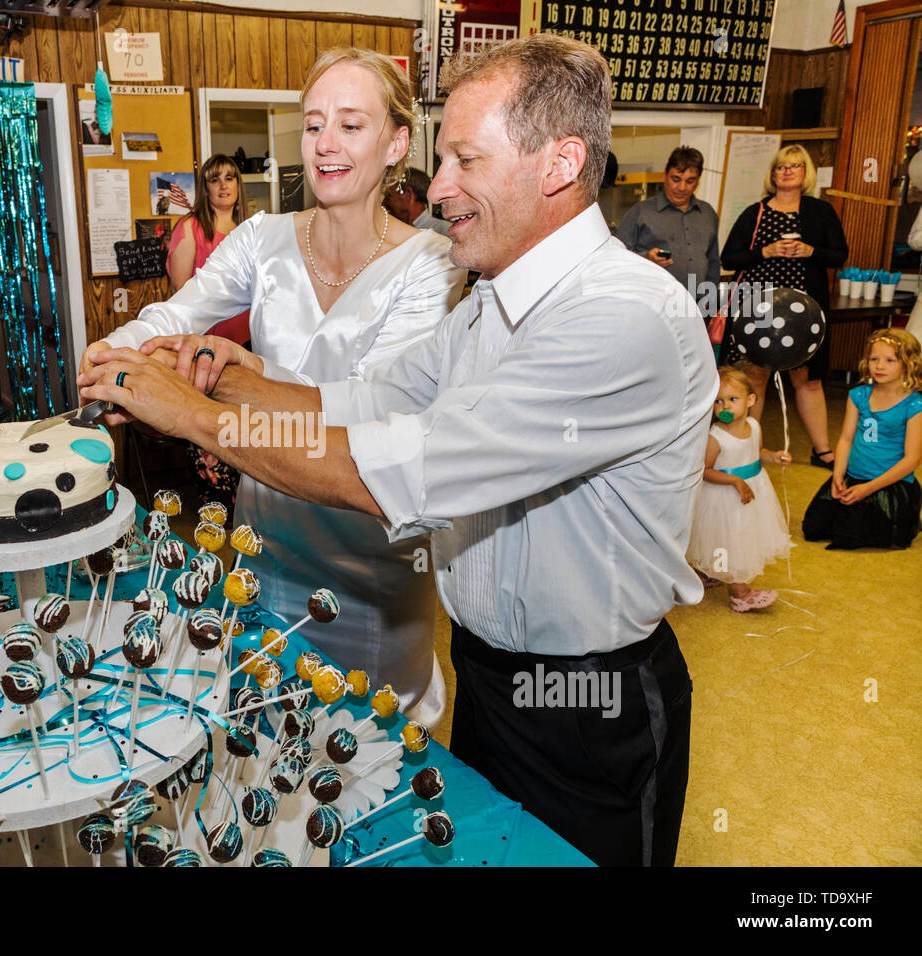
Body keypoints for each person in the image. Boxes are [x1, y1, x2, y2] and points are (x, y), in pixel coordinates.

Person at [79, 34, 716, 867]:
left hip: (588, 700)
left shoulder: (618, 316)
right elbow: (360, 401)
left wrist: (194, 417)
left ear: (559, 164)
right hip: (488, 678)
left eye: (465, 161)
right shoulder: (491, 306)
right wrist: (232, 379)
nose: (439, 189)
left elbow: (390, 468)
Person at [80, 47, 467, 724]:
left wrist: (230, 377)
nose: (325, 143)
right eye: (314, 123)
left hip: (373, 567)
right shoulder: (263, 239)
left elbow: (378, 411)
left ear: (397, 141)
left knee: (367, 757)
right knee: (262, 744)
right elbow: (180, 309)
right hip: (266, 547)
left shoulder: (431, 264)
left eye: (351, 124)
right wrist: (120, 349)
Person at [721, 144, 849, 469]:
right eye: (781, 166)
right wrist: (765, 252)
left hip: (804, 313)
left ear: (806, 173)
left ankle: (822, 451)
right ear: (773, 174)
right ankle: (748, 447)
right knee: (755, 378)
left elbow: (839, 255)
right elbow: (729, 257)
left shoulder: (820, 212)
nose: (787, 171)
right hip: (760, 309)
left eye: (795, 166)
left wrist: (810, 251)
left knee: (809, 380)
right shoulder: (756, 212)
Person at [166, 154, 252, 512]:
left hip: (248, 351)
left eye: (230, 178)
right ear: (204, 188)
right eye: (215, 179)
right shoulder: (191, 228)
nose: (223, 186)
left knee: (248, 439)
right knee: (212, 443)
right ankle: (214, 523)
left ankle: (248, 521)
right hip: (204, 356)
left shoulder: (251, 230)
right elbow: (181, 298)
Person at [803, 329, 922, 549]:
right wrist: (838, 474)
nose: (879, 366)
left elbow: (912, 460)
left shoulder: (915, 405)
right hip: (854, 477)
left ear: (908, 364)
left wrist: (868, 489)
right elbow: (847, 439)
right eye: (874, 359)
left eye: (890, 360)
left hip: (888, 484)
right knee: (813, 528)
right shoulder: (858, 395)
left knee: (860, 535)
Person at [687, 367, 793, 611]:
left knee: (742, 534)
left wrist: (774, 457)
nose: (724, 407)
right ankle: (740, 593)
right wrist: (734, 481)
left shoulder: (755, 426)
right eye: (718, 401)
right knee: (731, 539)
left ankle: (712, 572)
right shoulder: (716, 436)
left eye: (732, 399)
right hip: (724, 495)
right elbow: (705, 470)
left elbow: (756, 453)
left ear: (750, 400)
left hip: (753, 489)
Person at [616, 145, 720, 313]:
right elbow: (616, 257)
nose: (682, 188)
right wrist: (646, 258)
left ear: (698, 181)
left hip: (697, 307)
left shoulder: (707, 213)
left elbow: (713, 260)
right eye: (676, 179)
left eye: (690, 181)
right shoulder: (640, 212)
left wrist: (711, 298)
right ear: (665, 175)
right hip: (653, 306)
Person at [383, 168, 452, 237]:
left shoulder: (445, 232)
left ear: (408, 195)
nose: (384, 202)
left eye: (388, 196)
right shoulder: (391, 231)